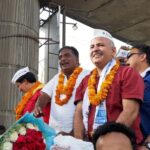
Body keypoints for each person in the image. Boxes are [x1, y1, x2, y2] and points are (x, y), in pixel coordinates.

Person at [73, 29, 144, 145]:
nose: (95, 49)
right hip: (90, 145)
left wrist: (107, 143)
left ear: (113, 51)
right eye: (92, 47)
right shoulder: (86, 80)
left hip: (122, 144)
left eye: (100, 45)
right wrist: (79, 144)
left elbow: (130, 111)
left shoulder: (127, 73)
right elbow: (78, 113)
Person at [33, 46, 90, 135]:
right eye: (60, 57)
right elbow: (44, 95)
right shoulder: (57, 78)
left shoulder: (87, 75)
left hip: (78, 134)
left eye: (67, 56)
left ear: (77, 60)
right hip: (54, 134)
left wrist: (72, 134)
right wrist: (38, 106)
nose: (63, 59)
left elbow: (87, 107)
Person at [126, 44, 150, 150]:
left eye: (129, 55)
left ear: (142, 57)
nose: (126, 59)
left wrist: (148, 145)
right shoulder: (128, 81)